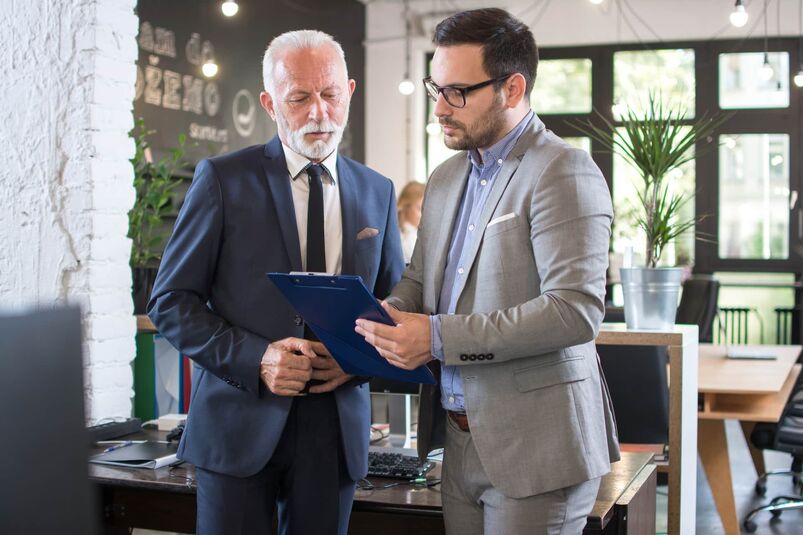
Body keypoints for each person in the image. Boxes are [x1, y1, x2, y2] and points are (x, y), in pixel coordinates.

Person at [355, 8, 620, 535]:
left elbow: (574, 312)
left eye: (458, 92)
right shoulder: (448, 176)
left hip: (537, 447)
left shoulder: (562, 169)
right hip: (457, 438)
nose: (439, 108)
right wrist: (395, 312)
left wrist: (433, 336)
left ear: (512, 88)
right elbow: (419, 277)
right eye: (436, 89)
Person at [148, 30, 404, 535]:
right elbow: (171, 302)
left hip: (335, 432)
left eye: (330, 95)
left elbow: (396, 304)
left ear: (349, 91)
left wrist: (355, 360)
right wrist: (257, 358)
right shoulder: (222, 179)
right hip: (238, 420)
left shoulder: (378, 190)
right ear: (269, 102)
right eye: (299, 98)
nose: (318, 113)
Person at [397, 180, 425, 263]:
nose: (422, 214)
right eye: (419, 208)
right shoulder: (405, 237)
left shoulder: (416, 233)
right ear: (406, 205)